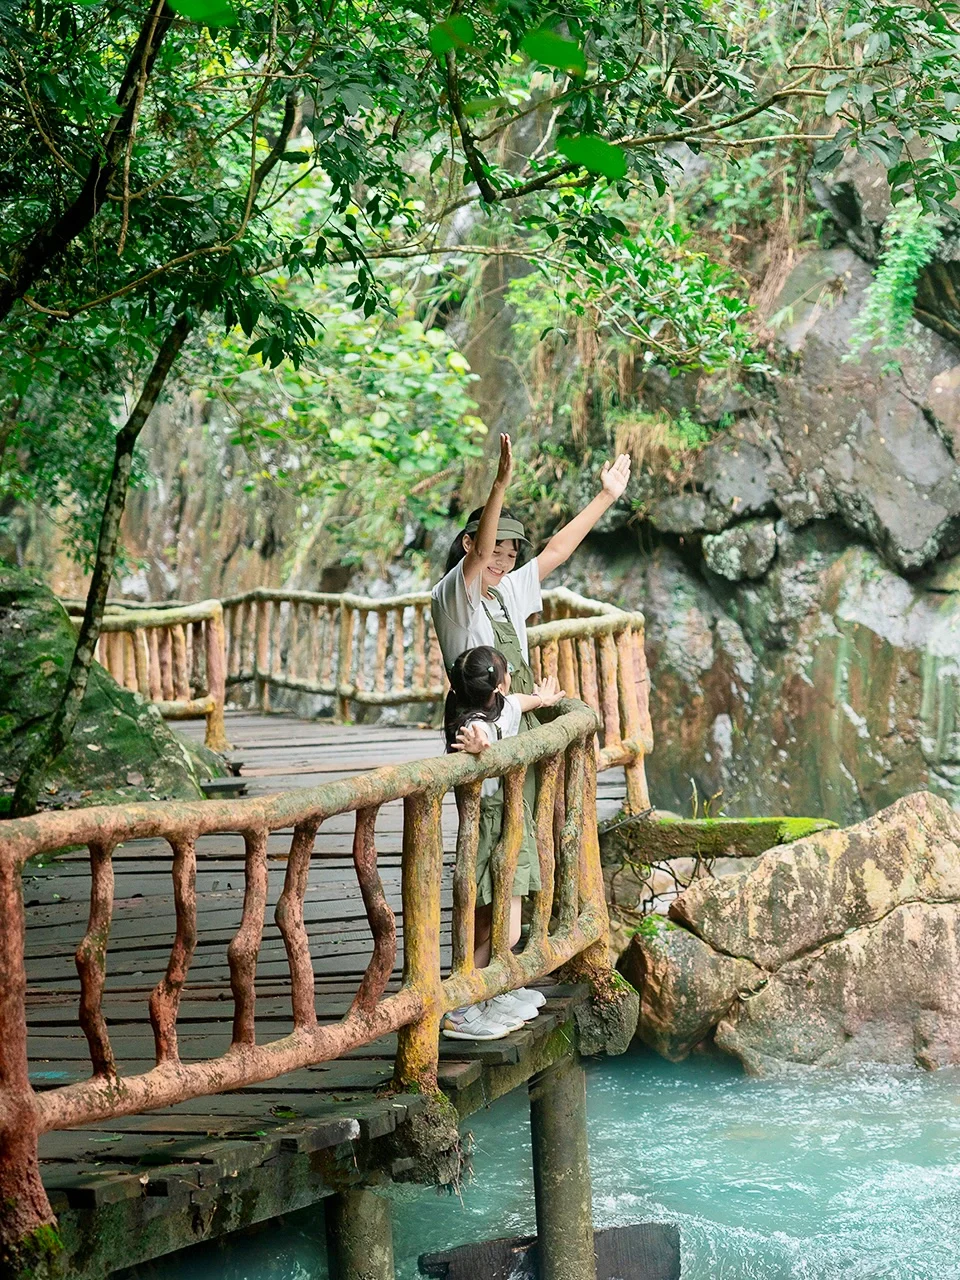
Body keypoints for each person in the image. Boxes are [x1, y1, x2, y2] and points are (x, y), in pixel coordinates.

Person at [431, 433, 631, 1040]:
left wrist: (605, 497)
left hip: (512, 739)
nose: (507, 560)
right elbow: (481, 550)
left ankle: (499, 984)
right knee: (488, 869)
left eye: (511, 552)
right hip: (478, 744)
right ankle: (468, 996)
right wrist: (498, 485)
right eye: (497, 551)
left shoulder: (508, 588)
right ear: (472, 547)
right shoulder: (456, 597)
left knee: (512, 865)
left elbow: (557, 551)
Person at [440, 646, 565, 1042]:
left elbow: (516, 704)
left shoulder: (497, 706)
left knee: (485, 921)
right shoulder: (475, 723)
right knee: (505, 931)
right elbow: (480, 733)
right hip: (492, 825)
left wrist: (542, 700)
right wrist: (478, 743)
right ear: (499, 682)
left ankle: (489, 993)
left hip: (501, 820)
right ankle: (458, 1007)